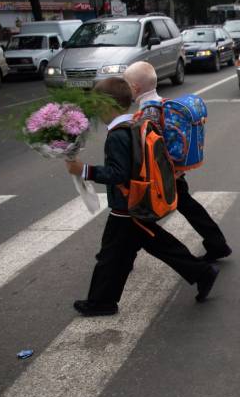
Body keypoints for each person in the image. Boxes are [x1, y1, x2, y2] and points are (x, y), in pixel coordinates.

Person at [65, 77, 219, 316]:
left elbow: (119, 173)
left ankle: (101, 302)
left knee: (114, 254)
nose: (95, 110)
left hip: (127, 206)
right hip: (134, 202)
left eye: (98, 105)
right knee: (139, 249)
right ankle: (102, 301)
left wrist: (84, 171)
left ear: (108, 105)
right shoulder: (137, 124)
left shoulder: (118, 134)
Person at [124, 61, 232, 263]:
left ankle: (123, 258)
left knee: (140, 220)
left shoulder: (148, 113)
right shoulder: (161, 102)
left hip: (162, 174)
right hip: (172, 170)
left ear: (135, 88)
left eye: (126, 84)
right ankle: (217, 244)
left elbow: (151, 149)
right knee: (188, 207)